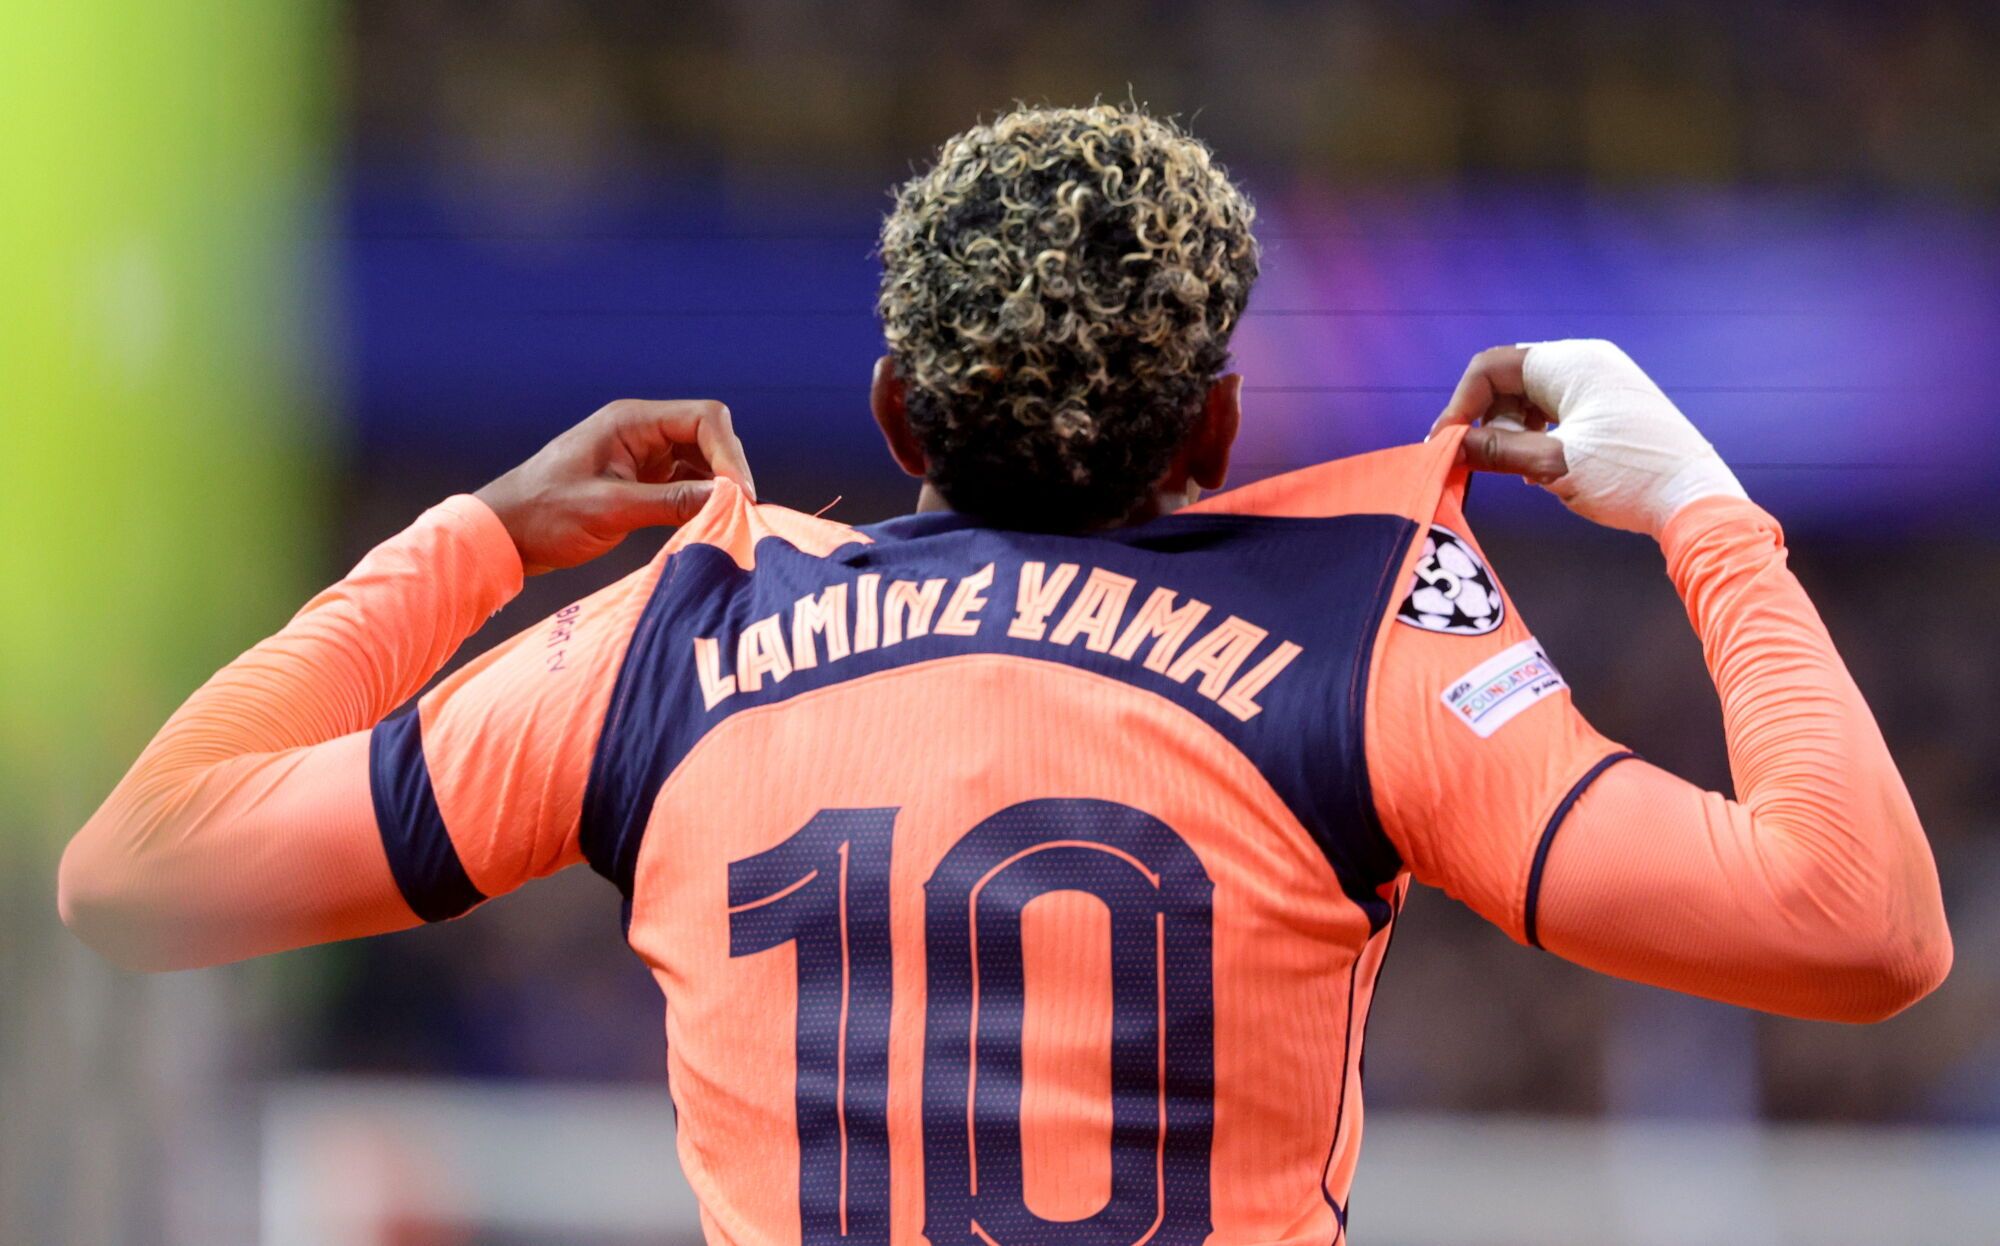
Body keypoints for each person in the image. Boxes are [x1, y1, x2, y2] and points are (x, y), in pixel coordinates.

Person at [59, 104, 1949, 1244]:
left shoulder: (671, 643)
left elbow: (136, 873)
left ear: (888, 410)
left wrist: (468, 539)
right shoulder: (1355, 636)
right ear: (1216, 427)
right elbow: (1859, 922)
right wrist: (1707, 513)